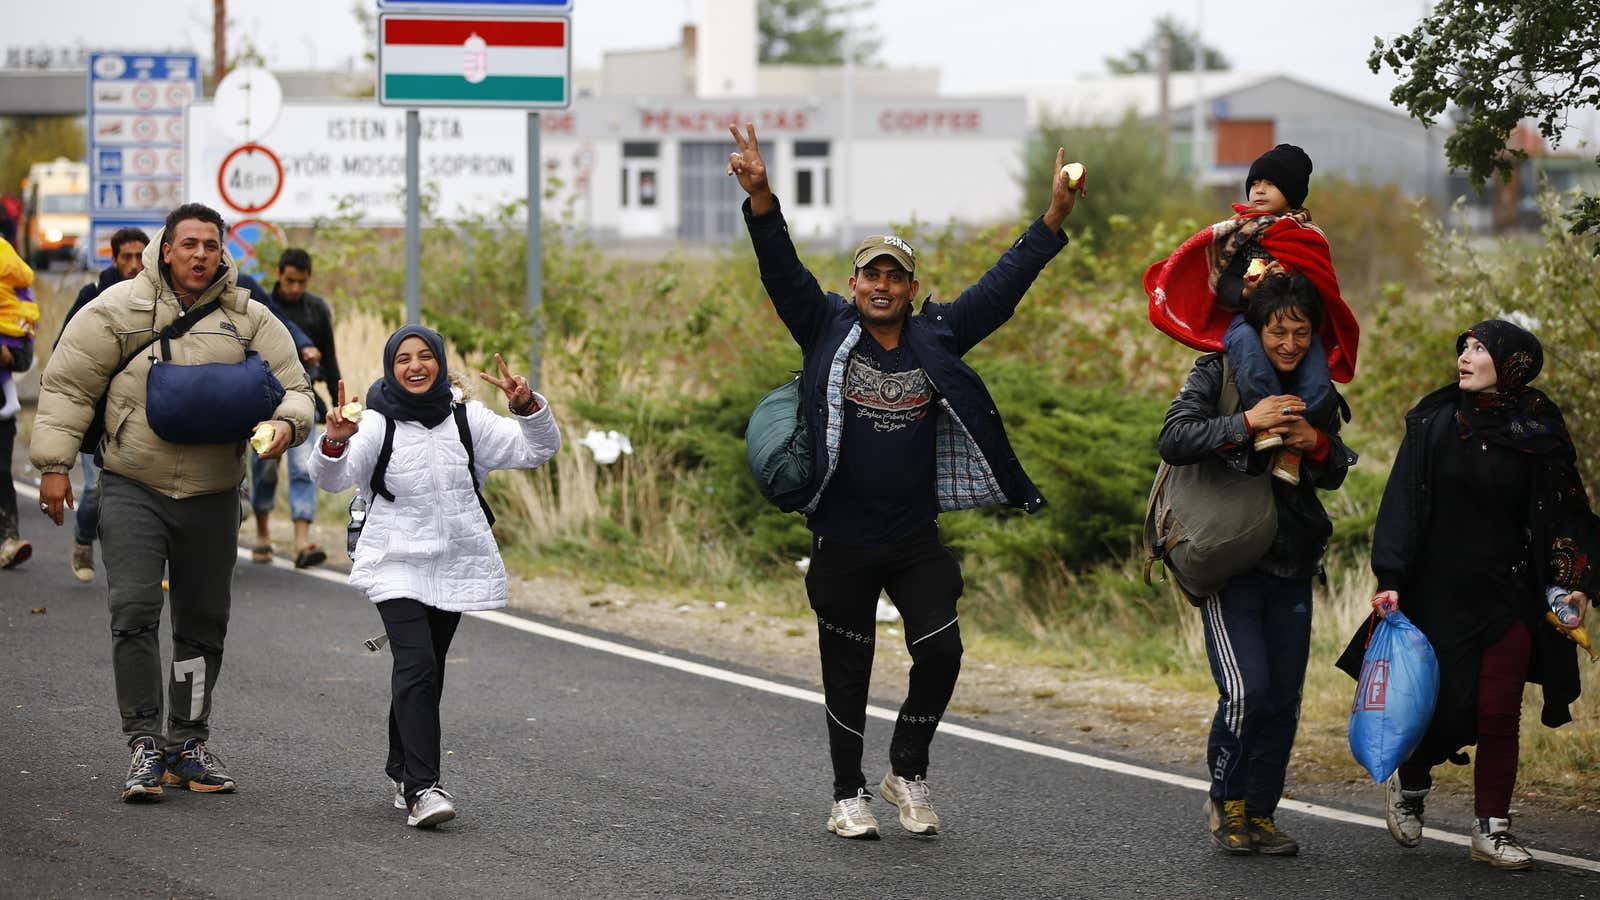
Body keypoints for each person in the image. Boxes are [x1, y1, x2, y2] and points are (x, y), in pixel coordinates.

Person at [729, 123, 1082, 839]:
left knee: (942, 652)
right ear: (854, 284)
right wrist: (762, 197)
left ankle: (907, 770)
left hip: (915, 538)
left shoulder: (939, 336)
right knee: (848, 672)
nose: (882, 286)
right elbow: (781, 269)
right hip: (842, 538)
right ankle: (846, 795)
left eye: (895, 276)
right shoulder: (824, 325)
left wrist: (1051, 222)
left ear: (911, 288)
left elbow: (1003, 286)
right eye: (871, 275)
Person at [31, 202, 315, 802]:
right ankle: (143, 744)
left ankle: (186, 743)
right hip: (134, 486)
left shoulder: (249, 318)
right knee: (134, 615)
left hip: (214, 496)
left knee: (201, 627)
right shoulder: (118, 309)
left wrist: (288, 425)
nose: (199, 255)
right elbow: (68, 383)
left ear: (222, 252)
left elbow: (297, 389)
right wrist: (55, 465)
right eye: (188, 244)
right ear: (167, 249)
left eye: (210, 245)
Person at [1337, 319, 1596, 870]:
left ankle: (1493, 830)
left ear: (1512, 363)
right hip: (1438, 593)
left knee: (1500, 712)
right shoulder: (1435, 421)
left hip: (1511, 593)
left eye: (1480, 348)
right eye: (1465, 347)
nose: (1466, 356)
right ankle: (1410, 784)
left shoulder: (1540, 429)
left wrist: (1569, 584)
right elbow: (1402, 503)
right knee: (1443, 709)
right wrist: (1390, 579)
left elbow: (1568, 510)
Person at [309, 326, 560, 828]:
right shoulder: (376, 424)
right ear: (391, 367)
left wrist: (528, 407)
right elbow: (332, 479)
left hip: (454, 561)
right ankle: (425, 787)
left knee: (428, 667)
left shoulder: (467, 417)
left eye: (426, 356)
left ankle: (402, 768)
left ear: (441, 364)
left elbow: (536, 451)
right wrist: (333, 443)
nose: (415, 366)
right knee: (418, 661)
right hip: (393, 559)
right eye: (404, 359)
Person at [1158, 272, 1356, 857]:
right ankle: (1228, 801)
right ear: (1256, 329)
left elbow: (1336, 468)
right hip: (1231, 561)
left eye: (1300, 332)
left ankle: (1263, 813)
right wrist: (1250, 421)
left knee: (1283, 701)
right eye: (1277, 332)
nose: (1290, 344)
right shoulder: (1215, 369)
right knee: (1247, 691)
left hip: (1293, 561)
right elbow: (1174, 437)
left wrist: (1314, 443)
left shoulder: (1319, 393)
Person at [1144, 144, 1360, 485]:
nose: (1258, 189)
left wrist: (1316, 442)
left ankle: (1291, 448)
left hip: (1290, 533)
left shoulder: (1308, 237)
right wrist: (1246, 291)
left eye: (1270, 184)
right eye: (1255, 182)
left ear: (1291, 194)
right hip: (1247, 318)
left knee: (1318, 380)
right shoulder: (1240, 233)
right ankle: (1268, 425)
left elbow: (1322, 290)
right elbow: (1174, 440)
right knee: (1243, 338)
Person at [56, 226, 150, 582]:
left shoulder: (160, 298)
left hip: (142, 415)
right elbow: (65, 353)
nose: (134, 264)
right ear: (113, 259)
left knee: (145, 494)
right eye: (126, 257)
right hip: (97, 417)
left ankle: (142, 565)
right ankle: (83, 539)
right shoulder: (92, 296)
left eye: (141, 256)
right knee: (96, 491)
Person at [250, 248, 340, 568]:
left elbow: (329, 359)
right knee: (265, 469)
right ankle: (262, 533)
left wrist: (338, 403)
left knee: (304, 468)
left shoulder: (316, 310)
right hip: (264, 401)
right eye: (290, 281)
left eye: (301, 282)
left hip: (306, 400)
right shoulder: (260, 307)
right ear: (278, 274)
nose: (295, 289)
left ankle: (302, 541)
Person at [0, 216, 36, 569]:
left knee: (0, 471)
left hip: (1, 405)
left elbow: (24, 356)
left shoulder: (12, 306)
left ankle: (8, 539)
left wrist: (6, 353)